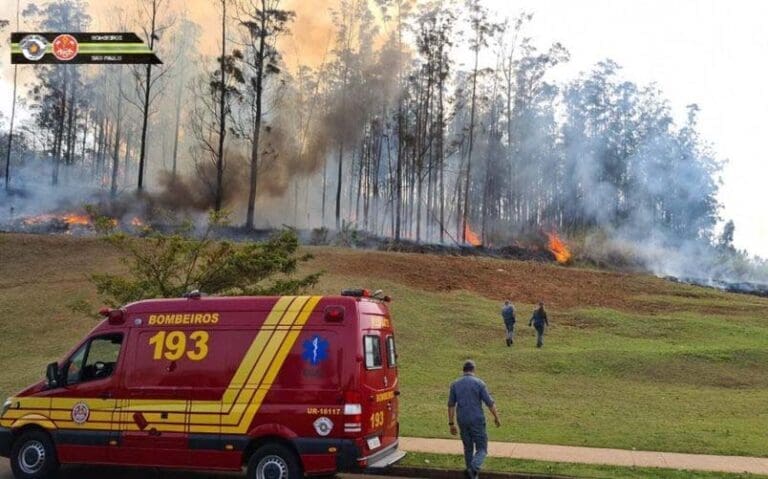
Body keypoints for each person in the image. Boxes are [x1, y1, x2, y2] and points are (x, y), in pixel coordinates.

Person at [448, 360, 501, 479]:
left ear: (463, 370)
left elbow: (451, 405)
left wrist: (451, 423)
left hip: (462, 419)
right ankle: (473, 468)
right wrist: (496, 417)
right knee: (482, 449)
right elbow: (489, 403)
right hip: (477, 420)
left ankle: (471, 475)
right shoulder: (479, 383)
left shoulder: (455, 384)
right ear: (473, 370)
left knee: (468, 448)